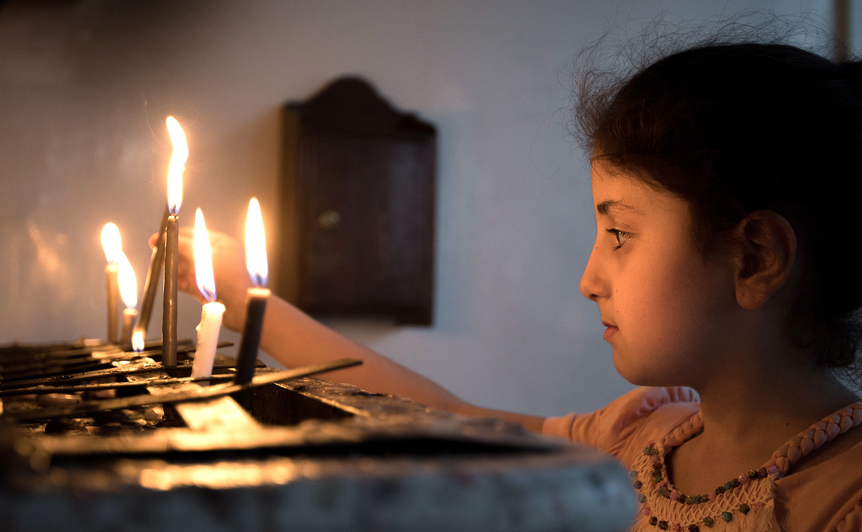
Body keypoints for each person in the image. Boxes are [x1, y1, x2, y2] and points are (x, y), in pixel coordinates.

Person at [169, 40, 862, 531]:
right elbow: (444, 421)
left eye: (619, 233)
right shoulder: (638, 440)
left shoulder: (843, 499)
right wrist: (248, 302)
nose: (589, 279)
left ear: (754, 259)